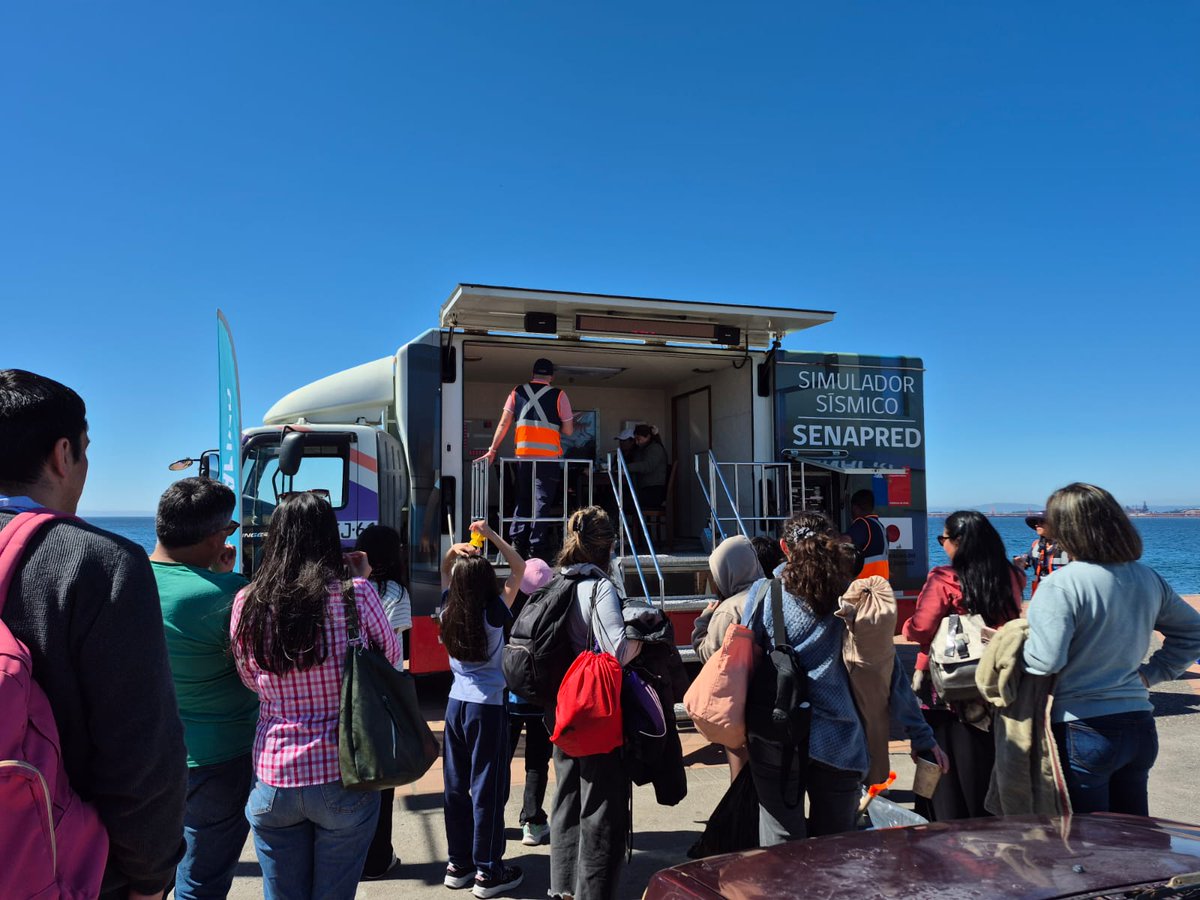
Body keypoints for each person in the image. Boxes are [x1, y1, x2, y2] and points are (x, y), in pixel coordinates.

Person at [0, 369, 187, 900]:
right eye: (86, 449)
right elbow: (142, 754)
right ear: (64, 454)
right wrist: (150, 877)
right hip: (71, 871)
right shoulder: (101, 564)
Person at [230, 492, 401, 900]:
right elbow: (392, 662)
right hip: (344, 772)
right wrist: (362, 576)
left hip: (274, 776)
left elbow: (249, 678)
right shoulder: (357, 594)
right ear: (330, 537)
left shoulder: (248, 601)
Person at [741, 512, 943, 845]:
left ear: (784, 548)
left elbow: (744, 659)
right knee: (836, 848)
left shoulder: (765, 592)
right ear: (835, 544)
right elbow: (888, 672)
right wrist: (922, 737)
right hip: (839, 740)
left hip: (776, 732)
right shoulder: (857, 597)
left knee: (781, 843)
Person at [1024, 483, 1200, 815]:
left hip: (1080, 726)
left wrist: (1008, 651)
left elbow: (1045, 661)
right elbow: (1193, 632)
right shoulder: (1146, 577)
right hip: (1139, 723)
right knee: (1134, 836)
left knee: (1085, 840)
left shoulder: (1061, 584)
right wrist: (1150, 675)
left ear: (1066, 528)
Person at [150, 477, 259, 900]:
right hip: (220, 756)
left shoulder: (126, 578)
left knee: (149, 878)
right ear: (215, 536)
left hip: (148, 755)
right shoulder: (233, 594)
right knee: (201, 882)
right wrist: (222, 578)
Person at [901, 510, 1024, 821]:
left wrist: (906, 628)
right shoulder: (1010, 575)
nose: (942, 545)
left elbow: (921, 628)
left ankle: (942, 825)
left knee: (941, 757)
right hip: (993, 680)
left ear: (958, 542)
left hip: (947, 684)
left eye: (942, 539)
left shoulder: (944, 578)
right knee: (986, 756)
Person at [549, 506, 641, 900]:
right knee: (601, 807)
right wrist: (645, 638)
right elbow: (617, 648)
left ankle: (562, 888)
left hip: (562, 706)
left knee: (566, 801)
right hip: (594, 707)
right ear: (608, 546)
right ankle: (592, 892)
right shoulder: (598, 587)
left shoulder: (556, 581)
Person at [439, 519, 526, 899]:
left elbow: (446, 573)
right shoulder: (493, 611)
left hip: (455, 704)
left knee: (456, 787)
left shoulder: (447, 608)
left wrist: (452, 552)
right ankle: (488, 871)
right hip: (487, 707)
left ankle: (458, 864)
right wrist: (491, 536)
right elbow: (520, 568)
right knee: (487, 789)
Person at [353, 523, 411, 880]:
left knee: (353, 777)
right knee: (383, 779)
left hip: (350, 692)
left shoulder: (345, 588)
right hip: (384, 695)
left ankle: (356, 855)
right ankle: (378, 858)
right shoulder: (396, 593)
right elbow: (392, 647)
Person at [483, 358, 575, 560]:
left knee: (523, 499)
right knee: (541, 502)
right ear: (551, 376)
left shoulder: (517, 392)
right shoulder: (559, 395)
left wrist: (492, 450)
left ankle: (518, 544)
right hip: (548, 460)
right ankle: (536, 547)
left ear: (533, 374)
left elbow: (503, 424)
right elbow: (568, 431)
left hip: (523, 458)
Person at [689, 536, 764, 781]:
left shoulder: (729, 609)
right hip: (773, 695)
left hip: (741, 701)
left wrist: (703, 622)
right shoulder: (775, 592)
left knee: (741, 775)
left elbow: (710, 656)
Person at [506, 557, 555, 848]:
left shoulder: (508, 608)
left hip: (509, 696)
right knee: (537, 762)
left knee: (501, 757)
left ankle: (492, 815)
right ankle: (533, 822)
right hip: (540, 698)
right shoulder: (552, 612)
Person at [1014, 512, 1068, 596]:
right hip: (1040, 594)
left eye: (1041, 522)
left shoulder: (1067, 547)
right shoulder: (1036, 546)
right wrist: (1020, 562)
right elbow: (1026, 560)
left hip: (1062, 594)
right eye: (1036, 523)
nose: (1037, 525)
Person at [845, 488, 890, 580]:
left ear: (855, 508)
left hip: (865, 584)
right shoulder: (880, 526)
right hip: (881, 585)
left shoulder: (863, 524)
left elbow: (844, 541)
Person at [624, 424, 669, 509]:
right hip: (646, 489)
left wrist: (626, 467)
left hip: (653, 491)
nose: (637, 442)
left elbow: (647, 466)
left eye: (639, 439)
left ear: (648, 437)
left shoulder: (655, 448)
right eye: (635, 439)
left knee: (622, 499)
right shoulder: (643, 449)